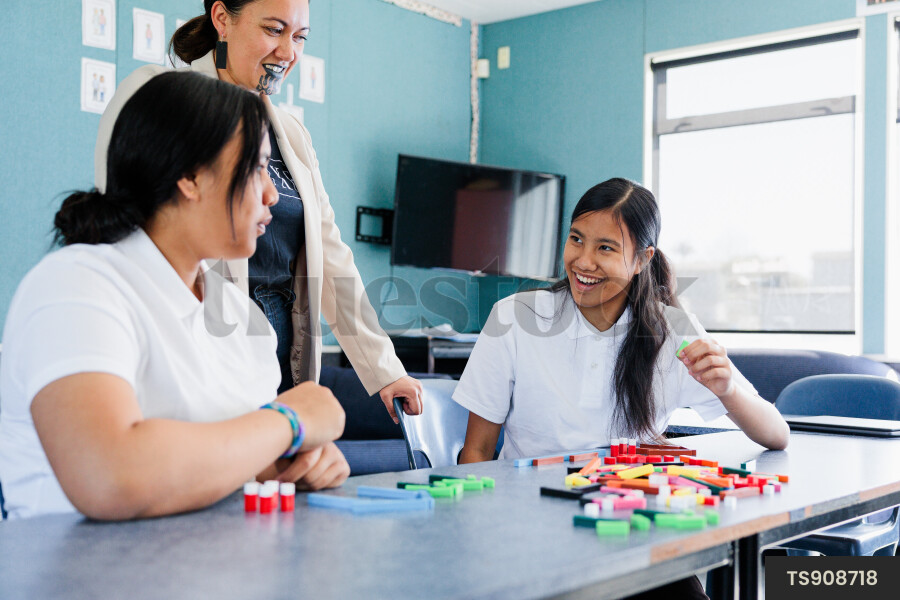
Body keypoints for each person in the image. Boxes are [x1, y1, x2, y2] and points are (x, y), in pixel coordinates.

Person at [0, 71, 349, 521]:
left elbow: (240, 461)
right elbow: (109, 475)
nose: (271, 194)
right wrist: (289, 421)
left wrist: (299, 464)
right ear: (190, 176)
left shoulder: (241, 318)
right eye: (258, 167)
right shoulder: (76, 286)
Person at [454, 178, 790, 597]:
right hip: (527, 533)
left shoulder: (675, 330)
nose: (583, 261)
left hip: (634, 533)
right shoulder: (516, 317)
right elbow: (477, 452)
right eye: (576, 239)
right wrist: (477, 544)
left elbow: (776, 434)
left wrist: (726, 389)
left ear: (642, 259)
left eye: (606, 248)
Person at [94, 0, 422, 424]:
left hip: (279, 348)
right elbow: (127, 220)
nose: (288, 53)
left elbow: (330, 252)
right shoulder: (161, 97)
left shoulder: (291, 133)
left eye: (299, 37)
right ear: (221, 19)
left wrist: (384, 370)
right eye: (273, 29)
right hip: (197, 344)